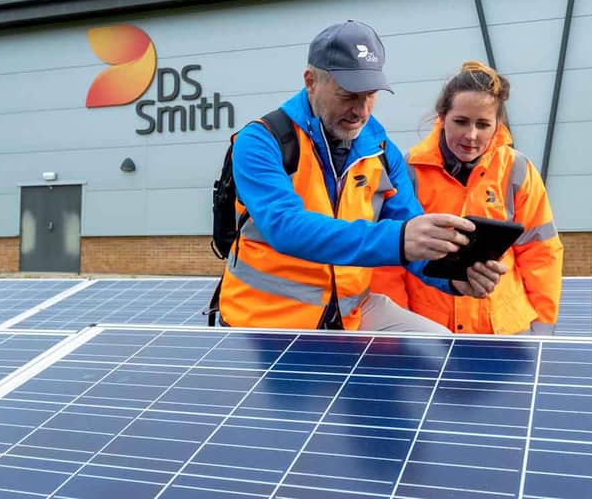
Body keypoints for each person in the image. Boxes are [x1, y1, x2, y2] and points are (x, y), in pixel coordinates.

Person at [217, 21, 507, 331]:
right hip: (264, 323)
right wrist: (397, 239)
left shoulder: (381, 151)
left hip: (351, 311)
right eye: (348, 95)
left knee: (441, 348)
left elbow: (412, 234)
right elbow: (285, 228)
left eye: (370, 95)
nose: (361, 110)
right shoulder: (262, 141)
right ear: (311, 81)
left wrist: (451, 276)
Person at [371, 61, 564, 335]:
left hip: (505, 331)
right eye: (460, 122)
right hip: (430, 331)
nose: (471, 136)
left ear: (497, 125)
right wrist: (399, 334)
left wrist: (543, 329)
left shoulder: (517, 170)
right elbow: (389, 261)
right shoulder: (409, 172)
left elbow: (542, 253)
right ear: (442, 116)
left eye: (483, 124)